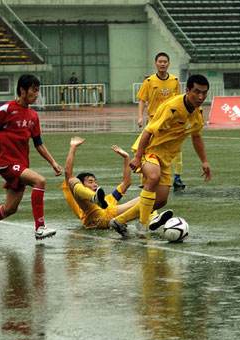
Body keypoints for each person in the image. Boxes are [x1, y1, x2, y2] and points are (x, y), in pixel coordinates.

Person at [109, 74, 212, 238]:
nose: (200, 97)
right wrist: (137, 157)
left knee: (161, 200)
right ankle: (143, 227)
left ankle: (119, 221)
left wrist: (204, 161)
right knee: (153, 176)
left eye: (204, 93)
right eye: (197, 92)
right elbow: (148, 131)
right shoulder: (172, 107)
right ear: (187, 90)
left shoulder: (198, 113)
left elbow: (196, 136)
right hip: (148, 150)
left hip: (166, 158)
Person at [0, 74, 62, 240]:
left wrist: (53, 162)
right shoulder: (7, 109)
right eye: (33, 90)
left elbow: (38, 143)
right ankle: (40, 228)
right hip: (7, 163)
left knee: (10, 209)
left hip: (21, 164)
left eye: (38, 90)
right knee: (40, 181)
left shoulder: (33, 116)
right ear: (22, 90)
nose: (36, 94)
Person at [63, 136, 172, 234]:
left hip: (110, 217)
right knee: (72, 181)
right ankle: (93, 197)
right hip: (94, 219)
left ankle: (152, 219)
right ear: (83, 185)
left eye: (95, 181)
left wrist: (126, 158)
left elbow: (126, 183)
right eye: (90, 182)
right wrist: (73, 147)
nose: (95, 184)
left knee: (146, 197)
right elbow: (68, 174)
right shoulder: (81, 203)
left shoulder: (108, 199)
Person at [137, 52, 186, 192]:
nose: (163, 64)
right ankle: (145, 178)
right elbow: (142, 100)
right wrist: (140, 117)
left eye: (165, 61)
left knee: (176, 149)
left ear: (168, 64)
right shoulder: (149, 82)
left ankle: (177, 177)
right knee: (148, 149)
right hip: (154, 121)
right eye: (160, 61)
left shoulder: (175, 81)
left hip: (171, 122)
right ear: (156, 63)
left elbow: (179, 101)